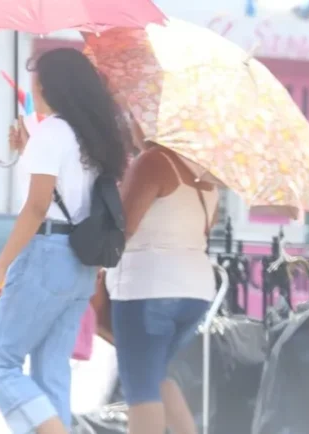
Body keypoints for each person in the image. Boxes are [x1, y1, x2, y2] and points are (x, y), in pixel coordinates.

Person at [0, 48, 128, 434]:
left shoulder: (53, 132)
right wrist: (27, 150)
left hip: (46, 255)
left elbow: (37, 207)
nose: (33, 84)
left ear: (48, 84)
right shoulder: (90, 136)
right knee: (51, 370)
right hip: (80, 263)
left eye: (37, 78)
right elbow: (74, 196)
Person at [105, 143, 218, 434]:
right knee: (158, 377)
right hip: (195, 291)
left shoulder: (152, 162)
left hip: (148, 288)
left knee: (141, 387)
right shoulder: (205, 177)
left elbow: (121, 226)